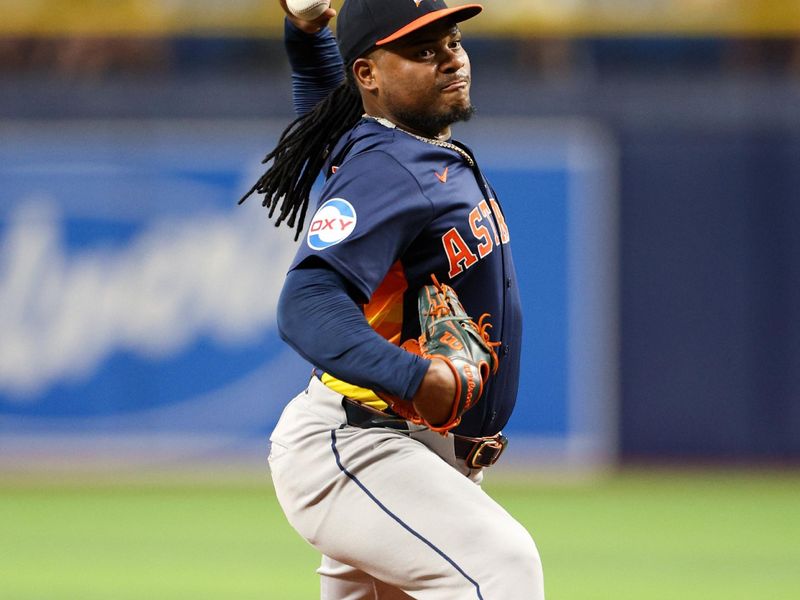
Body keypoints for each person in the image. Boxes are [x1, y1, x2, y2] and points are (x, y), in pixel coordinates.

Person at [243, 1, 544, 597]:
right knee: (501, 568)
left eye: (451, 42)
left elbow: (325, 102)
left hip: (418, 454)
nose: (448, 60)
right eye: (421, 51)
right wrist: (413, 376)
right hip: (362, 445)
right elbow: (306, 301)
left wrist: (306, 32)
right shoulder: (387, 170)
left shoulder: (385, 141)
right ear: (369, 76)